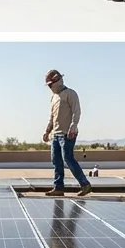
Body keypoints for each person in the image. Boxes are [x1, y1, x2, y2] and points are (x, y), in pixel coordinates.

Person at [42, 69, 92, 197]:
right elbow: (52, 117)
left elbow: (77, 111)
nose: (50, 87)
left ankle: (85, 184)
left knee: (68, 158)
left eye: (50, 84)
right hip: (56, 134)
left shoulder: (70, 93)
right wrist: (47, 131)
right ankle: (58, 187)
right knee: (56, 160)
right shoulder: (54, 98)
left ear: (58, 81)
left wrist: (73, 126)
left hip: (68, 134)